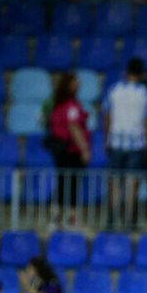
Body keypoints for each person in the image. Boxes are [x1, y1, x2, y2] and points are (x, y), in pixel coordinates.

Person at [103, 58, 147, 225]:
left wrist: (107, 139)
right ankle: (129, 219)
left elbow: (107, 117)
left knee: (115, 181)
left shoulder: (114, 90)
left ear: (127, 72)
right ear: (142, 74)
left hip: (116, 140)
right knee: (133, 182)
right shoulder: (146, 93)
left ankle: (111, 218)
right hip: (137, 143)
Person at [46, 72, 91, 224]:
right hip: (70, 151)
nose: (79, 84)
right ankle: (68, 217)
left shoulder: (59, 104)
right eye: (76, 81)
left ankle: (58, 216)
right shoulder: (71, 105)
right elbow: (74, 127)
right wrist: (84, 149)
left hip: (62, 150)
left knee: (63, 182)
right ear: (69, 85)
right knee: (71, 183)